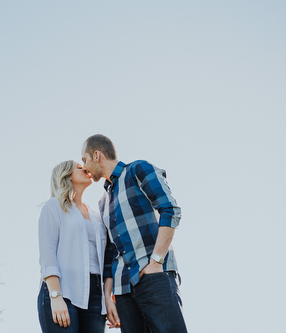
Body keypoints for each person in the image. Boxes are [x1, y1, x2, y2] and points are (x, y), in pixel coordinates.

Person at [81, 134, 188, 333]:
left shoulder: (137, 170)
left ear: (97, 155)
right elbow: (111, 251)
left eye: (84, 160)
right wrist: (108, 297)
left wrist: (156, 261)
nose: (84, 167)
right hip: (123, 290)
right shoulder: (103, 203)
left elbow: (170, 209)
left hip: (154, 276)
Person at [37, 160, 107, 333]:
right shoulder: (54, 207)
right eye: (79, 167)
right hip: (63, 291)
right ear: (66, 175)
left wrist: (108, 299)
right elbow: (48, 254)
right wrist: (56, 296)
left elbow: (106, 258)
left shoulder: (96, 215)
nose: (85, 169)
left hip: (96, 295)